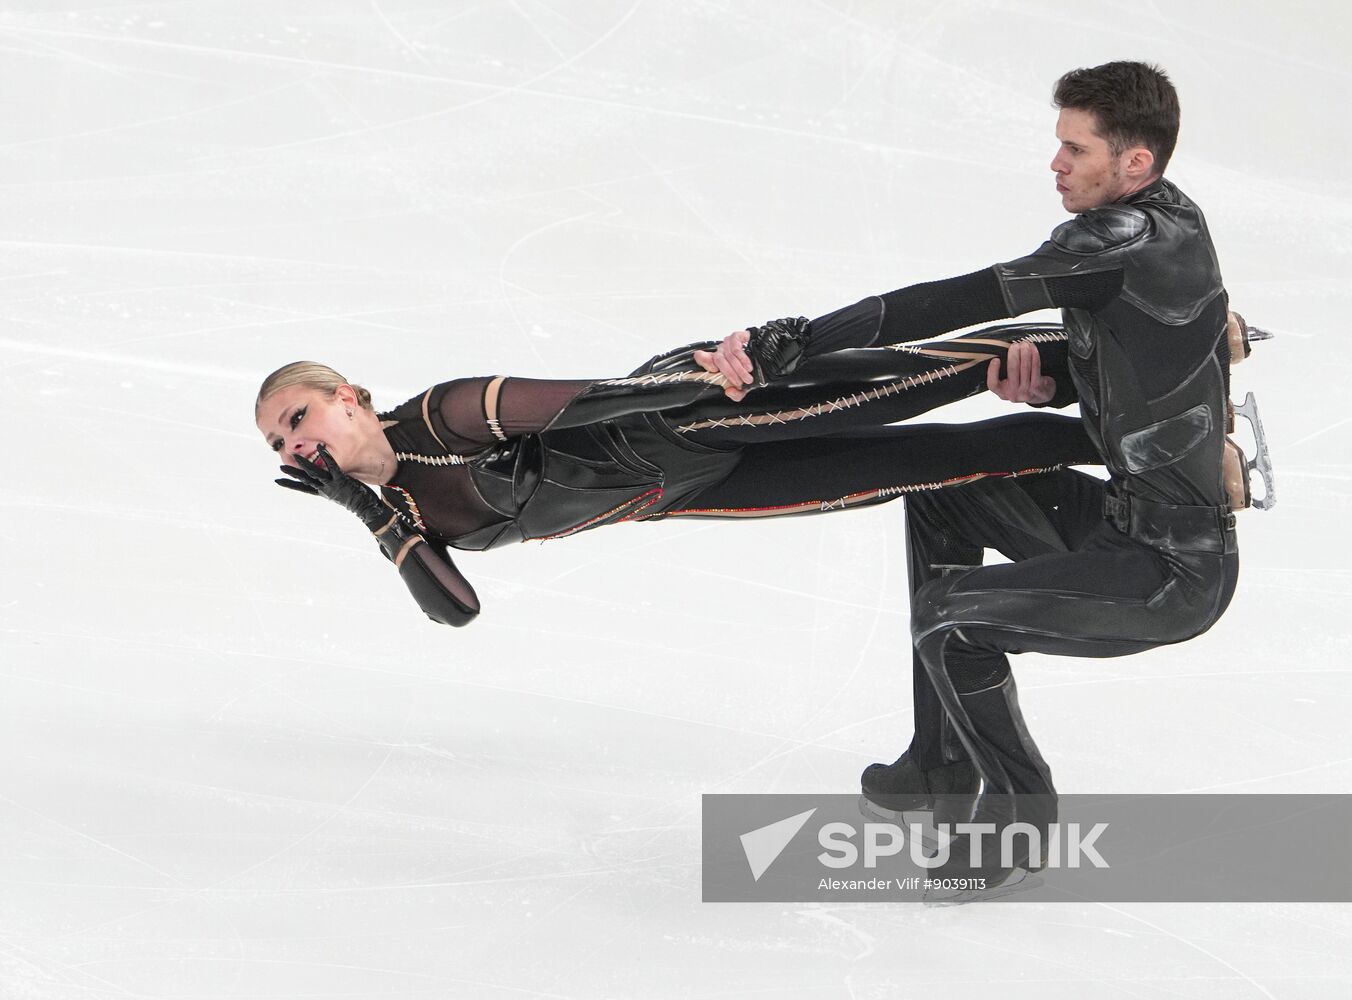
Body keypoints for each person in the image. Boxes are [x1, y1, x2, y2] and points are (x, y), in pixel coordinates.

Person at [703, 61, 1249, 890]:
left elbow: (961, 299)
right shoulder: (1169, 224)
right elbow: (1154, 367)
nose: (1056, 164)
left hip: (1171, 569)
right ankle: (940, 762)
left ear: (1136, 162)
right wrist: (1058, 382)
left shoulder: (1117, 241)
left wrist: (796, 340)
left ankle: (1021, 823)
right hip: (1121, 521)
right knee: (946, 496)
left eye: (1076, 148)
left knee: (950, 621)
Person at [256, 310, 1103, 628]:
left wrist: (710, 381)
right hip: (682, 491)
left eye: (297, 418)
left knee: (899, 386)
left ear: (349, 397)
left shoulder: (443, 412)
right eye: (280, 446)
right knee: (927, 465)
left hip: (676, 416)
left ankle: (1099, 356)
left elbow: (588, 400)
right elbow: (457, 609)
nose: (295, 446)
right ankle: (1114, 444)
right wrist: (366, 511)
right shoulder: (403, 518)